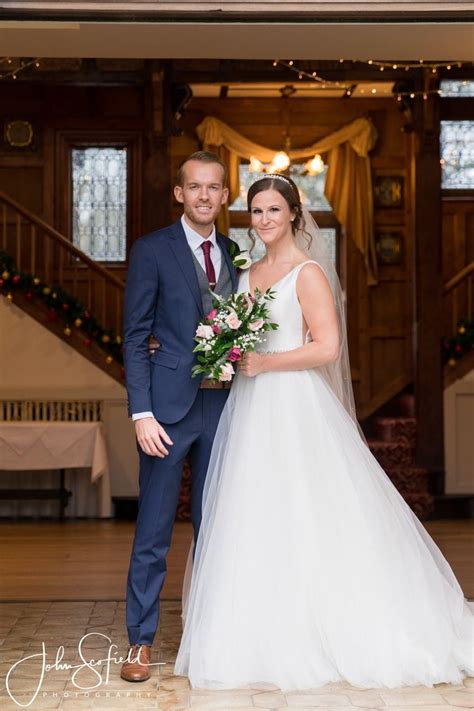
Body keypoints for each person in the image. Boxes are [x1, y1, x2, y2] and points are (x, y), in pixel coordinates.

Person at [174, 174, 474, 690]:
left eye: (273, 210)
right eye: (256, 211)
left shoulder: (307, 272)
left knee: (310, 510)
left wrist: (264, 364)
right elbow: (237, 336)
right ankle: (258, 633)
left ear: (294, 213)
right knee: (255, 512)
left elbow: (328, 348)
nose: (264, 220)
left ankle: (328, 627)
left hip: (293, 404)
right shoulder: (248, 273)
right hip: (250, 409)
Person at [121, 151, 239, 682]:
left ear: (224, 196)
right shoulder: (152, 251)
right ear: (179, 193)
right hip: (166, 414)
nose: (204, 196)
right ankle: (140, 642)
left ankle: (212, 639)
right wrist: (141, 413)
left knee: (219, 528)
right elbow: (133, 336)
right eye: (195, 187)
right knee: (154, 532)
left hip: (226, 408)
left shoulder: (236, 252)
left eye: (214, 188)